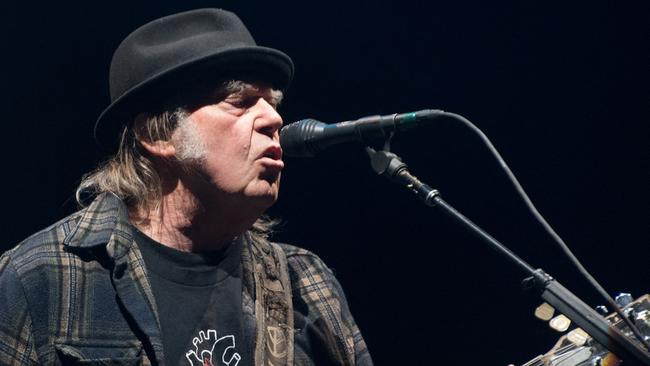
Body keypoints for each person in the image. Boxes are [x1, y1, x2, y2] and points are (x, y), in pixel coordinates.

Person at [0, 8, 372, 366]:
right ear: (158, 134)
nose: (274, 118)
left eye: (272, 103)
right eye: (240, 102)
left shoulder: (304, 282)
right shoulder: (42, 277)